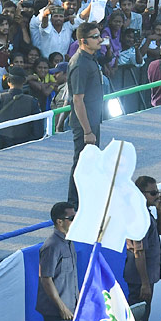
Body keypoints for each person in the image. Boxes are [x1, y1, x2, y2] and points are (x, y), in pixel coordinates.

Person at [36, 201, 77, 321]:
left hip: (70, 306)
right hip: (58, 311)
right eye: (72, 218)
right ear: (60, 221)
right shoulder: (52, 246)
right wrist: (62, 307)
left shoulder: (68, 242)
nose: (75, 221)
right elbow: (46, 278)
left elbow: (70, 276)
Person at [67, 22, 104, 205]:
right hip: (85, 124)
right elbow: (77, 100)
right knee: (81, 163)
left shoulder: (90, 58)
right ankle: (74, 203)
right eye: (95, 37)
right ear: (83, 41)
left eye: (99, 35)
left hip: (93, 119)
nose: (100, 40)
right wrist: (87, 131)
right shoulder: (80, 63)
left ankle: (87, 199)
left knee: (91, 162)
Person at [124, 176, 161, 321]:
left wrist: (159, 208)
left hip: (147, 277)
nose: (157, 196)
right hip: (140, 280)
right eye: (153, 193)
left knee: (144, 319)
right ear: (140, 194)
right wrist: (144, 283)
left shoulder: (145, 213)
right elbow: (138, 252)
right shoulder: (137, 218)